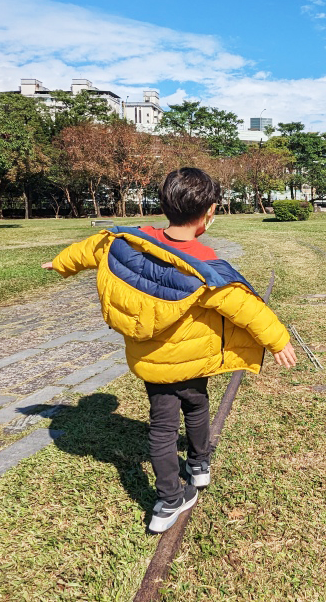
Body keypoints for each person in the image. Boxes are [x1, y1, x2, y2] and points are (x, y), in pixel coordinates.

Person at [42, 167, 296, 532]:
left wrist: (61, 263)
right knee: (196, 405)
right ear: (210, 211)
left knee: (161, 428)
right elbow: (248, 308)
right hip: (193, 363)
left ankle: (167, 501)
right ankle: (198, 465)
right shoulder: (205, 268)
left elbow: (90, 248)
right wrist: (278, 340)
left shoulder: (125, 242)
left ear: (164, 204)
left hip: (152, 363)